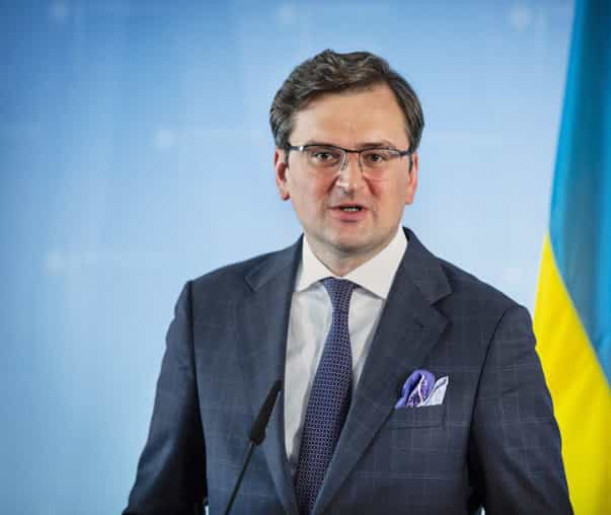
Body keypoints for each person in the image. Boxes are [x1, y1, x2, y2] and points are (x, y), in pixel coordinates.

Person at [125, 49, 571, 514]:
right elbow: (159, 503)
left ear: (412, 175)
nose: (350, 181)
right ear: (282, 171)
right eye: (323, 155)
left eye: (376, 156)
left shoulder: (488, 327)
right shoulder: (208, 310)